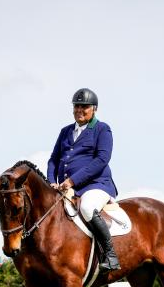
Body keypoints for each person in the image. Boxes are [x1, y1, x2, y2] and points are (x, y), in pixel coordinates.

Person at [47, 88, 121, 272]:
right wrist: (51, 182)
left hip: (96, 185)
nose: (79, 110)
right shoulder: (65, 131)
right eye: (76, 106)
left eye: (84, 107)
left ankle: (110, 255)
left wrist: (72, 181)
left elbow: (102, 160)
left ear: (94, 109)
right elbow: (53, 160)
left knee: (87, 207)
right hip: (66, 187)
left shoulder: (102, 129)